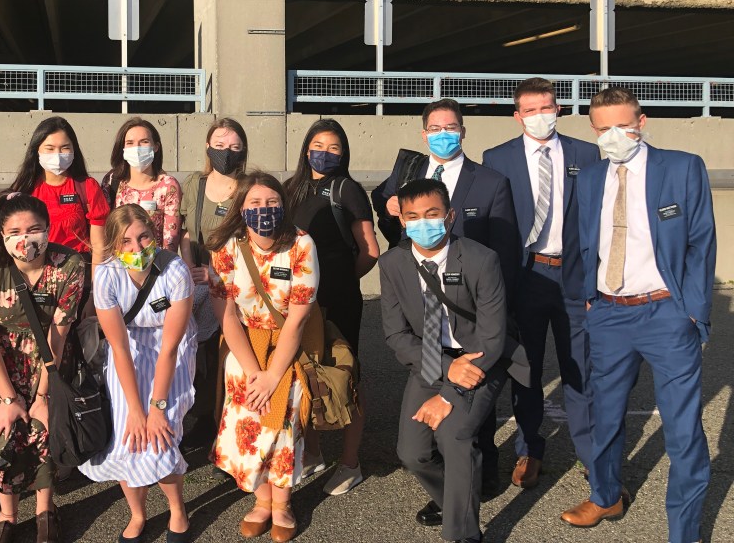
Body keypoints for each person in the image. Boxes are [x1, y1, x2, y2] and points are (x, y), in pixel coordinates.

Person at [561, 87, 715, 543]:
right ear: (593, 129)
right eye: (603, 128)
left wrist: (692, 312)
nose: (613, 135)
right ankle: (606, 495)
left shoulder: (682, 167)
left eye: (622, 126)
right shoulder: (591, 177)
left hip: (666, 312)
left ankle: (683, 531)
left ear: (641, 122)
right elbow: (583, 241)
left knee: (682, 430)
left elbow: (700, 242)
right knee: (605, 417)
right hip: (609, 314)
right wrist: (589, 298)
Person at [371, 98, 519, 496]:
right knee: (426, 412)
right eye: (435, 129)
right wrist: (389, 207)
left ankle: (480, 475)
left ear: (463, 131)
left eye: (450, 127)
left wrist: (495, 311)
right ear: (424, 134)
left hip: (471, 304)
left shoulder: (489, 181)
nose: (443, 135)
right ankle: (450, 488)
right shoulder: (410, 170)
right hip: (423, 295)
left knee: (471, 413)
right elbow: (385, 208)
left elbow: (504, 250)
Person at [379, 179, 525, 543]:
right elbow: (396, 335)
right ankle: (454, 498)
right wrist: (446, 369)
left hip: (480, 359)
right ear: (403, 221)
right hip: (431, 359)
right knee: (412, 452)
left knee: (454, 434)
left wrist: (448, 392)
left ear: (450, 215)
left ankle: (462, 532)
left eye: (432, 214)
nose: (423, 223)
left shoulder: (481, 259)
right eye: (413, 216)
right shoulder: (392, 263)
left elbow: (492, 337)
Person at [482, 78, 600, 488]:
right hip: (526, 275)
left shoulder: (586, 153)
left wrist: (595, 283)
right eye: (530, 110)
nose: (539, 116)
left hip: (574, 276)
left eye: (546, 107)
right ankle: (529, 449)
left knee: (579, 369)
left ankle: (591, 455)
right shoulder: (497, 158)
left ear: (559, 109)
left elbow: (595, 220)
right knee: (526, 369)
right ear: (518, 116)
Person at [207, 172, 319, 543]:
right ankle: (262, 499)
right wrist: (255, 372)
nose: (264, 209)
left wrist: (273, 375)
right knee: (250, 424)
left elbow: (299, 317)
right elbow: (225, 314)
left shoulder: (301, 243)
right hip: (244, 346)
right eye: (255, 203)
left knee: (284, 423)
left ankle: (283, 504)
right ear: (241, 208)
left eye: (272, 201)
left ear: (283, 205)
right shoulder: (226, 246)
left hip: (287, 344)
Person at [0, 193, 86, 543]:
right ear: (2, 235)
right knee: (7, 430)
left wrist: (42, 395)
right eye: (15, 232)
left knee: (42, 428)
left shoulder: (69, 265)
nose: (26, 238)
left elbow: (58, 334)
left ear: (48, 229)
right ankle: (7, 514)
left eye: (34, 229)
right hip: (2, 363)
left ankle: (45, 510)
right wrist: (9, 398)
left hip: (49, 360)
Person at [78, 205, 196, 543]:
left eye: (143, 237)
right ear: (115, 245)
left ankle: (177, 509)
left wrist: (156, 408)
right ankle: (138, 513)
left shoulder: (175, 270)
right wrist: (134, 409)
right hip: (128, 347)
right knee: (128, 435)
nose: (136, 247)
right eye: (126, 241)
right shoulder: (107, 274)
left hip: (171, 346)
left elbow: (170, 348)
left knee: (161, 433)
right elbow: (119, 347)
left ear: (154, 234)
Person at [284, 119, 379, 495]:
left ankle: (351, 463)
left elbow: (370, 251)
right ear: (306, 148)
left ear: (344, 154)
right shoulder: (291, 189)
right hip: (301, 302)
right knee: (305, 373)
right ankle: (314, 452)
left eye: (334, 147)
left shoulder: (347, 190)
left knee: (345, 372)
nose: (325, 153)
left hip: (339, 300)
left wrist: (341, 279)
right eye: (318, 145)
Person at [177, 117, 247, 451]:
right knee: (197, 353)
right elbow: (186, 232)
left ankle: (225, 423)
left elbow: (251, 241)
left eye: (234, 146)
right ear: (208, 147)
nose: (226, 152)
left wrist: (217, 272)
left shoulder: (248, 188)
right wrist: (190, 267)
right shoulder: (195, 183)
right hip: (196, 280)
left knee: (228, 355)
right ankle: (203, 418)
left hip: (234, 283)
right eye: (219, 145)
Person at [9, 116, 110, 280]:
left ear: (74, 150)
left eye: (65, 148)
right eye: (50, 148)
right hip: (35, 276)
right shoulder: (24, 190)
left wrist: (95, 288)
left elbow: (99, 246)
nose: (57, 155)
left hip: (78, 275)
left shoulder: (87, 187)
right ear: (36, 150)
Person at [101, 117, 182, 253]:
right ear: (122, 148)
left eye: (144, 142)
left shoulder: (168, 186)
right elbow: (105, 231)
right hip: (120, 261)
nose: (137, 148)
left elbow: (170, 241)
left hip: (155, 262)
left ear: (156, 147)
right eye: (130, 143)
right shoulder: (111, 181)